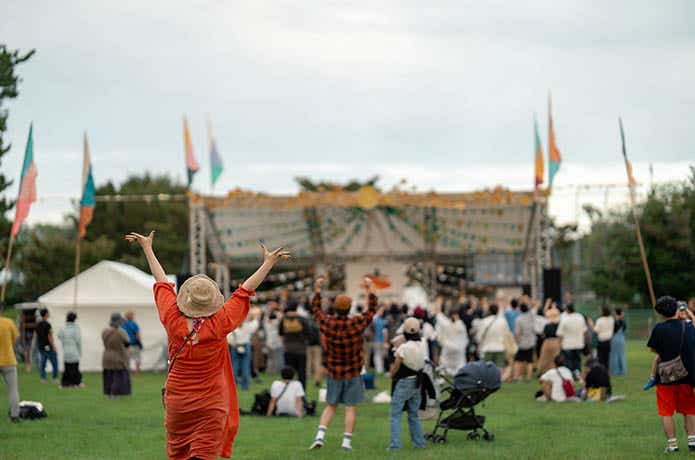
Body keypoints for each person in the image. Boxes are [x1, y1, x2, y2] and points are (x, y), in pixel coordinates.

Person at [127, 230, 290, 460]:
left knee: (179, 454)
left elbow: (162, 283)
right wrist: (268, 263)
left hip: (178, 402)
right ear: (213, 301)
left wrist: (147, 248)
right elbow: (244, 292)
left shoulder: (172, 320)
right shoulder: (220, 323)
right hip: (211, 402)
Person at [309, 277, 377, 452]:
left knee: (331, 405)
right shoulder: (356, 322)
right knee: (350, 408)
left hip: (333, 371)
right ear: (349, 308)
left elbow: (316, 310)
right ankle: (346, 443)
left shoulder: (328, 322)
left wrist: (317, 289)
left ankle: (319, 437)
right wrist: (370, 290)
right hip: (353, 371)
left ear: (335, 307)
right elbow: (371, 311)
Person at [647, 295, 695, 453]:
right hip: (686, 375)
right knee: (689, 410)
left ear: (660, 313)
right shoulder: (688, 327)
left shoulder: (658, 328)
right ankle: (692, 442)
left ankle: (673, 445)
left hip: (666, 376)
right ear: (676, 308)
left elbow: (654, 350)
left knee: (666, 412)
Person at [388, 317, 426, 451]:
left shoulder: (403, 347)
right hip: (418, 382)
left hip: (405, 382)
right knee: (413, 415)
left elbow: (397, 365)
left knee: (395, 414)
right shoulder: (423, 344)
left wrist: (392, 375)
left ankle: (395, 446)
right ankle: (419, 443)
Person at [279, 299, 310, 389]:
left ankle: (288, 391)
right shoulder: (302, 319)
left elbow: (280, 333)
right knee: (302, 374)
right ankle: (301, 393)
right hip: (301, 350)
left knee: (288, 374)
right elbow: (309, 333)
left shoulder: (284, 319)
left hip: (288, 349)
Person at [227, 310, 259, 391]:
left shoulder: (233, 326)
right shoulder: (247, 326)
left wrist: (231, 343)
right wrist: (255, 318)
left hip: (236, 346)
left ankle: (234, 386)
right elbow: (255, 325)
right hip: (245, 346)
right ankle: (244, 387)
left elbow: (228, 336)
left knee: (235, 367)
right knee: (245, 367)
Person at [102, 312, 132, 398]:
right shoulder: (121, 332)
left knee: (108, 376)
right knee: (118, 376)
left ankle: (109, 393)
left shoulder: (104, 331)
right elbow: (127, 343)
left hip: (106, 356)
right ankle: (115, 393)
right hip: (118, 356)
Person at [435, 305, 467, 375]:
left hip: (447, 348)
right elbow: (464, 339)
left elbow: (440, 318)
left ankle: (444, 379)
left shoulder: (446, 324)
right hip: (458, 350)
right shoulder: (460, 325)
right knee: (458, 367)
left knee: (445, 365)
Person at [0, 313, 20, 422]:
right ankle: (14, 416)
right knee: (13, 390)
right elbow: (16, 339)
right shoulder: (8, 322)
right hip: (8, 360)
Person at [475, 304, 508, 370]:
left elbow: (479, 336)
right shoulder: (502, 321)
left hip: (487, 348)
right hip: (500, 347)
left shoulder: (484, 321)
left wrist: (479, 344)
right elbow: (506, 335)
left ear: (489, 311)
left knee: (487, 369)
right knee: (499, 369)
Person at [556, 303, 587, 373]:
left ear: (567, 310)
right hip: (579, 343)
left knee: (569, 362)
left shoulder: (565, 319)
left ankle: (570, 375)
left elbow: (560, 334)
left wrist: (559, 344)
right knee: (577, 361)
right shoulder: (580, 317)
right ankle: (578, 374)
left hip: (567, 344)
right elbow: (584, 331)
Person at [57, 311, 83, 388]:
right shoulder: (76, 328)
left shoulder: (63, 328)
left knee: (67, 368)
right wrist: (80, 351)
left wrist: (65, 341)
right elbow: (78, 341)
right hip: (74, 350)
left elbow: (59, 336)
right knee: (75, 367)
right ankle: (76, 383)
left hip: (66, 350)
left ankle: (65, 383)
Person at [513, 302, 537, 382]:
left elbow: (517, 332)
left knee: (517, 360)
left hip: (522, 342)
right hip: (531, 341)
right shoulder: (531, 317)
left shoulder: (519, 319)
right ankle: (528, 377)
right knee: (529, 361)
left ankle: (516, 376)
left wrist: (517, 341)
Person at [537, 306, 562, 376]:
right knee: (554, 358)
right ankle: (555, 371)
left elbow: (543, 335)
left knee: (544, 358)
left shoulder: (547, 325)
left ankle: (541, 371)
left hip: (547, 342)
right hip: (556, 341)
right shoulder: (558, 325)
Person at [36, 308, 59, 383]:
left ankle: (43, 378)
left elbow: (37, 336)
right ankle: (55, 378)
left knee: (43, 363)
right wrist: (53, 346)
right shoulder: (48, 324)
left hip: (41, 347)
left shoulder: (38, 324)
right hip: (49, 346)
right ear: (46, 314)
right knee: (54, 362)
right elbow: (50, 336)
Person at [264, 307, 284, 375]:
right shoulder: (277, 322)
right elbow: (281, 320)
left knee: (271, 358)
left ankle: (271, 370)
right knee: (278, 357)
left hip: (270, 342)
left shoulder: (267, 323)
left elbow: (266, 318)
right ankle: (278, 370)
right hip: (276, 342)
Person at [122, 310, 142, 374]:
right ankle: (137, 371)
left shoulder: (124, 325)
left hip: (126, 344)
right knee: (137, 358)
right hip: (134, 344)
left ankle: (127, 371)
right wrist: (139, 342)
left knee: (127, 359)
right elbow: (137, 334)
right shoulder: (134, 324)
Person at [306, 314, 323, 388]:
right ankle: (316, 378)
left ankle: (308, 376)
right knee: (317, 363)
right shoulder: (319, 326)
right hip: (317, 346)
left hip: (308, 345)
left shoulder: (308, 325)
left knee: (308, 362)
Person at [610, 308, 627, 376]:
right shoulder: (623, 321)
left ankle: (615, 371)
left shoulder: (615, 321)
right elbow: (624, 329)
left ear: (615, 313)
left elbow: (613, 331)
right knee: (622, 355)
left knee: (614, 355)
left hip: (615, 339)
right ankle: (623, 371)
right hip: (622, 339)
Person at [372, 308, 388, 374]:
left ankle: (379, 369)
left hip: (378, 340)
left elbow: (384, 332)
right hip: (378, 340)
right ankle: (380, 369)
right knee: (380, 355)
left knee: (378, 356)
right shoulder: (383, 320)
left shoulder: (376, 320)